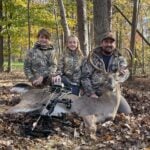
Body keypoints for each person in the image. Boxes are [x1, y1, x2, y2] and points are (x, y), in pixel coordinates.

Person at [81, 32, 132, 114]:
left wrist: (123, 73)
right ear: (101, 43)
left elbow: (126, 74)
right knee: (91, 114)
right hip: (95, 91)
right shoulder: (92, 57)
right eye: (106, 42)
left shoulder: (120, 58)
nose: (109, 44)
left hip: (112, 92)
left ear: (114, 44)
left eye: (111, 42)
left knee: (127, 112)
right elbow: (84, 77)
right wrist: (91, 93)